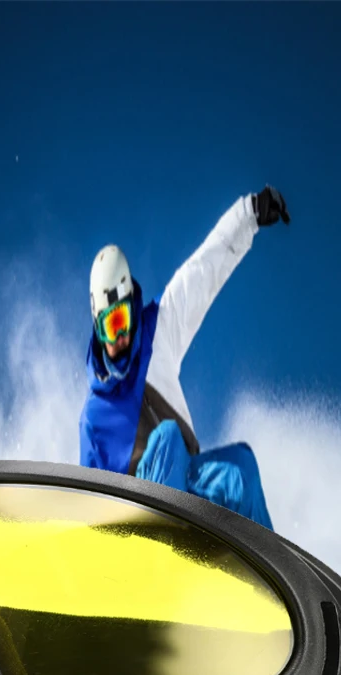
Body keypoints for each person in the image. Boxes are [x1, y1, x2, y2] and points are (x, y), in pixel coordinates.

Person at [79, 186, 290, 530]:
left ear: (132, 309)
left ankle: (266, 561)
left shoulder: (157, 333)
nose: (120, 337)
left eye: (123, 321)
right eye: (109, 326)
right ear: (97, 329)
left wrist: (249, 213)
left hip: (189, 492)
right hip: (137, 525)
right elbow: (85, 503)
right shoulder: (95, 417)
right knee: (167, 439)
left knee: (240, 470)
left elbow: (202, 273)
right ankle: (166, 547)